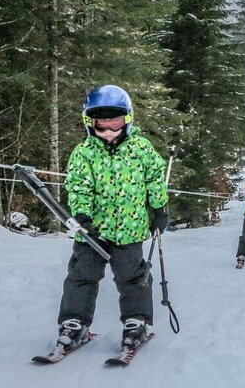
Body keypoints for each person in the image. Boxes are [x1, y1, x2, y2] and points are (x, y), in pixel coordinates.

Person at [49, 85, 168, 357]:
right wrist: (82, 217)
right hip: (92, 232)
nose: (108, 131)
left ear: (127, 119)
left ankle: (136, 322)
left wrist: (160, 209)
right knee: (81, 276)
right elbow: (78, 186)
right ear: (90, 122)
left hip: (130, 230)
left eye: (115, 123)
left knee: (133, 277)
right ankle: (74, 323)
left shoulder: (141, 148)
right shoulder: (83, 152)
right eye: (101, 124)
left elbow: (155, 179)